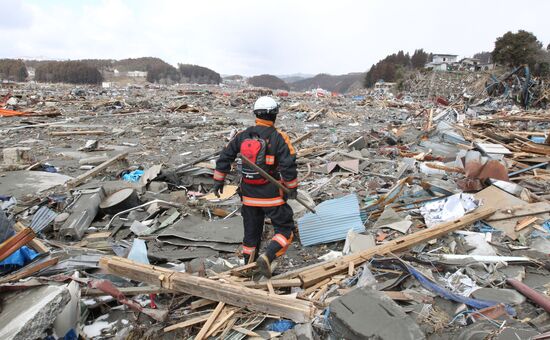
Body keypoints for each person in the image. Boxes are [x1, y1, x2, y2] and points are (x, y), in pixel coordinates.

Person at [212, 96, 298, 278]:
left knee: (251, 234)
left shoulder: (243, 135)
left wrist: (218, 181)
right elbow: (288, 166)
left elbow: (225, 156)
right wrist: (292, 188)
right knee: (285, 229)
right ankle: (268, 256)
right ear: (275, 114)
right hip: (272, 196)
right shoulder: (279, 137)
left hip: (249, 196)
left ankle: (248, 268)